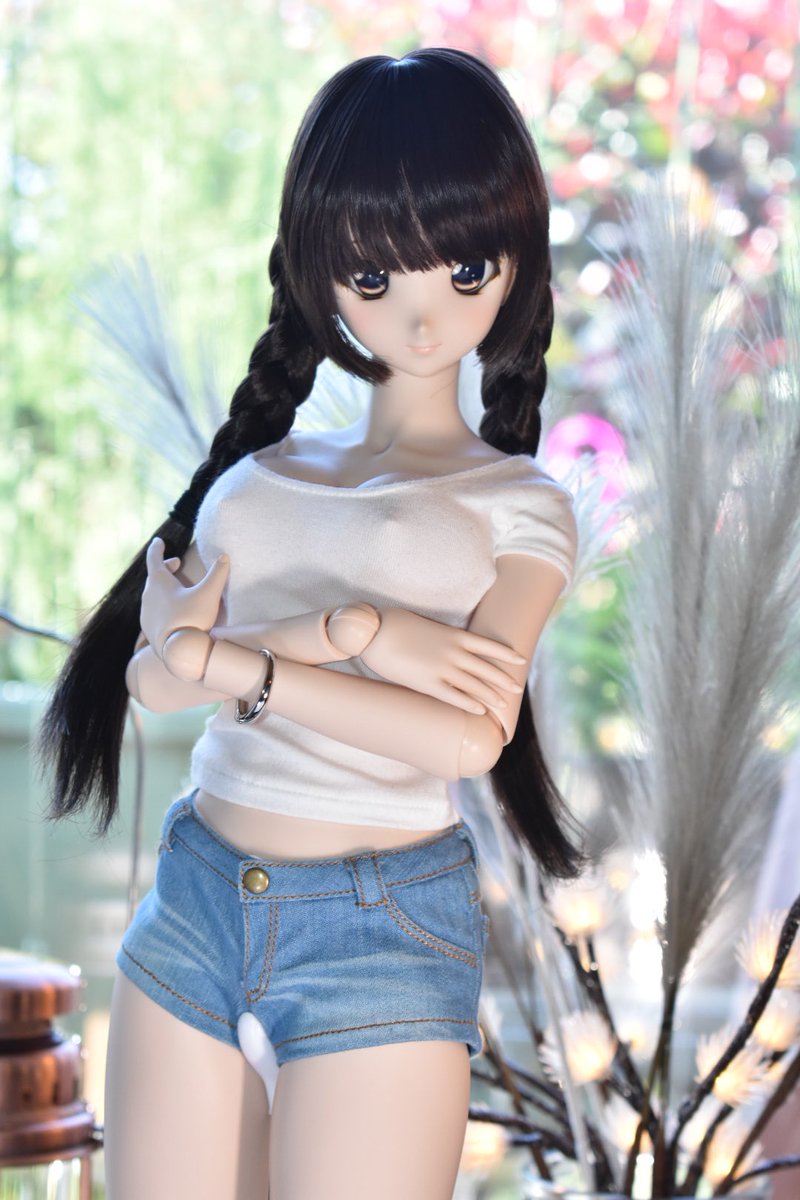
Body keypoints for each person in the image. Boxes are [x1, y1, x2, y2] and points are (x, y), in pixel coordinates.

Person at [41, 48, 582, 1200]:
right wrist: (339, 637)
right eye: (373, 275)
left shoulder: (517, 505)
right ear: (315, 270)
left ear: (514, 261)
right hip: (195, 903)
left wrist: (276, 653)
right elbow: (158, 682)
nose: (421, 311)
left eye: (464, 267)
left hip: (377, 936)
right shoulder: (257, 477)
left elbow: (465, 737)